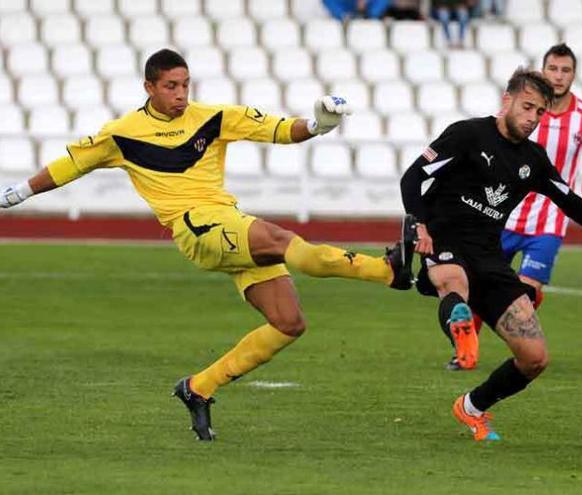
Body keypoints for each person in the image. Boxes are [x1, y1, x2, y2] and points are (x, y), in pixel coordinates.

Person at [0, 49, 415, 442]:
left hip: (228, 223)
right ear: (149, 88)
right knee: (283, 240)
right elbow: (69, 165)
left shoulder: (213, 117)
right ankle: (389, 270)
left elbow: (279, 130)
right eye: (170, 86)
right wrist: (16, 194)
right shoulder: (122, 134)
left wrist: (319, 124)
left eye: (185, 85)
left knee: (289, 322)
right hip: (197, 229)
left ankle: (198, 387)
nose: (180, 94)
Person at [399, 68, 582, 441]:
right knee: (452, 281)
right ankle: (461, 335)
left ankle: (471, 407)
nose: (533, 118)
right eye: (527, 107)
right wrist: (419, 224)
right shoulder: (466, 134)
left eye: (540, 112)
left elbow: (570, 201)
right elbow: (412, 178)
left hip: (490, 257)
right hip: (444, 239)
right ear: (507, 100)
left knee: (535, 358)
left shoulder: (533, 159)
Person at [439, 43, 582, 371]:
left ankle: (519, 342)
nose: (558, 77)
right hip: (503, 213)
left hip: (548, 221)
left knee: (527, 290)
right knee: (477, 284)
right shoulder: (524, 111)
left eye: (565, 70)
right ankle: (466, 346)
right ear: (542, 70)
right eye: (553, 69)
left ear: (574, 75)